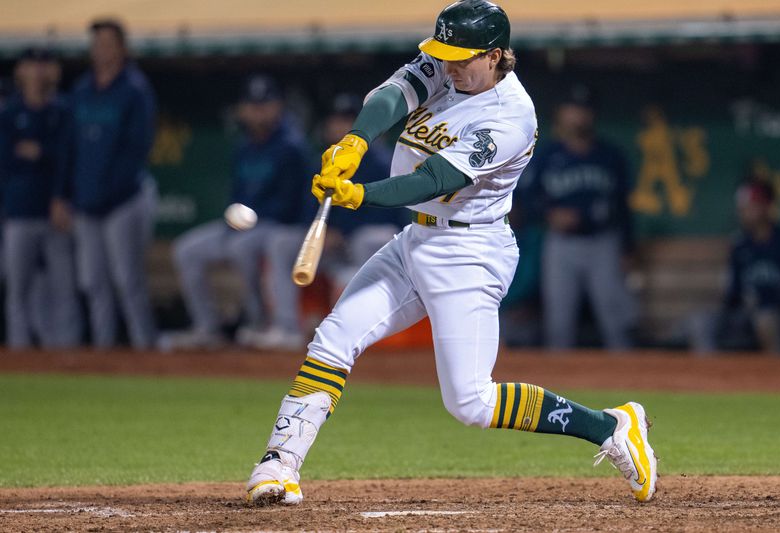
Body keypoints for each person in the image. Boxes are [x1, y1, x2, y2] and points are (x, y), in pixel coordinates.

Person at [245, 0, 657, 506]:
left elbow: (434, 181)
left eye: (464, 58)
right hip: (414, 241)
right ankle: (278, 464)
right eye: (447, 55)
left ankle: (609, 427)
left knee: (471, 402)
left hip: (470, 250)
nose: (452, 65)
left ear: (498, 56)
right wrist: (354, 141)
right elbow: (392, 94)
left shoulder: (511, 116)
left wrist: (360, 195)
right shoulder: (448, 67)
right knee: (333, 338)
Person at [162, 74, 311, 351]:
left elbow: (291, 204)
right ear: (242, 109)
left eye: (264, 105)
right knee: (187, 249)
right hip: (244, 225)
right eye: (252, 105)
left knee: (241, 247)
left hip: (278, 226)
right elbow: (237, 195)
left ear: (278, 106)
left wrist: (248, 218)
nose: (258, 112)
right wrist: (237, 217)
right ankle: (206, 327)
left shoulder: (291, 145)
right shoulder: (243, 147)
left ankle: (259, 323)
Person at [54, 19, 158, 349]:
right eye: (97, 43)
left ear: (122, 48)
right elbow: (67, 146)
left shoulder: (134, 89)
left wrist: (108, 194)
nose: (102, 50)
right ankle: (103, 353)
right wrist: (61, 195)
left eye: (109, 43)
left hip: (122, 201)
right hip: (86, 203)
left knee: (127, 280)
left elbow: (137, 149)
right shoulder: (82, 90)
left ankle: (145, 350)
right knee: (92, 282)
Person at [522, 87, 636, 350]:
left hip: (604, 242)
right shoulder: (547, 156)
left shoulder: (610, 156)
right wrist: (549, 214)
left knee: (616, 323)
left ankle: (634, 384)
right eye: (572, 110)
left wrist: (628, 248)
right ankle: (559, 388)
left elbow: (623, 206)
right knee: (559, 325)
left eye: (584, 110)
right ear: (560, 114)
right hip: (561, 245)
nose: (578, 117)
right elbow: (526, 200)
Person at [0, 48, 81, 348]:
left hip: (55, 210)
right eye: (31, 65)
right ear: (20, 71)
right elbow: (7, 159)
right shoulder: (9, 113)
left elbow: (66, 157)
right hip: (19, 212)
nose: (37, 72)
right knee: (18, 289)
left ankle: (67, 352)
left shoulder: (62, 110)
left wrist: (40, 153)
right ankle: (21, 353)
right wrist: (42, 155)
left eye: (42, 65)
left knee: (63, 287)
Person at [689, 179, 780, 354]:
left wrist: (765, 300)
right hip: (747, 314)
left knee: (766, 319)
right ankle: (710, 379)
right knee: (701, 322)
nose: (744, 212)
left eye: (750, 207)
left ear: (766, 207)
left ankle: (777, 376)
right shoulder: (740, 246)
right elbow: (733, 293)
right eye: (743, 208)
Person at [320, 93, 400, 292]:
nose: (340, 126)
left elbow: (384, 210)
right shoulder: (327, 159)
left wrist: (342, 231)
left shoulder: (379, 160)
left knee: (363, 240)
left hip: (382, 232)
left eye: (348, 120)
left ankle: (367, 298)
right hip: (345, 237)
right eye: (336, 120)